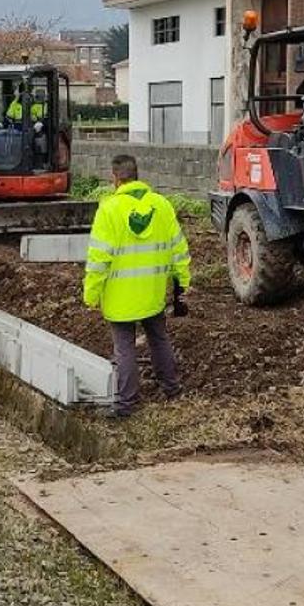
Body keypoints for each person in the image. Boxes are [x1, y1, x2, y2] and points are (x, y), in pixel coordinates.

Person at [84, 155, 191, 418]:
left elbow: (99, 259)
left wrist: (91, 293)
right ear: (137, 174)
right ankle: (172, 389)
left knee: (124, 348)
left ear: (115, 179)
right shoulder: (162, 205)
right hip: (153, 293)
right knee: (159, 339)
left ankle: (125, 405)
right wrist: (182, 286)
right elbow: (179, 250)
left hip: (120, 299)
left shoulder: (109, 209)